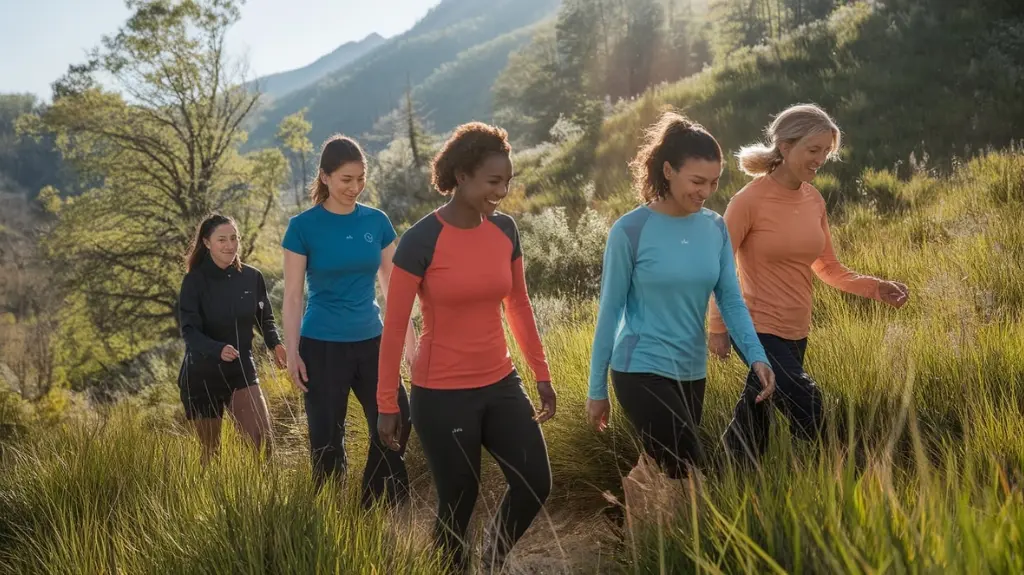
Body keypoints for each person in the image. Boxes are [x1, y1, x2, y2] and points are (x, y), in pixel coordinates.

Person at [377, 122, 557, 574]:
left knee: (535, 479)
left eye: (508, 182)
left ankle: (492, 559)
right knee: (458, 501)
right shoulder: (420, 240)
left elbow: (518, 304)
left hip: (500, 382)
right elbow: (395, 327)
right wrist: (386, 403)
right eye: (493, 182)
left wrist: (541, 373)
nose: (502, 192)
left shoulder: (505, 230)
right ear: (461, 177)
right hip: (442, 394)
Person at [707, 103, 910, 466]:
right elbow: (717, 267)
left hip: (796, 328)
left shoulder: (813, 198)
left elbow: (828, 266)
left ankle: (725, 476)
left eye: (825, 152)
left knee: (758, 406)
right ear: (785, 147)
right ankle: (852, 468)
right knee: (805, 397)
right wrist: (718, 327)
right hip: (755, 327)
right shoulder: (748, 201)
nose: (820, 159)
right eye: (812, 150)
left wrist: (874, 287)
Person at [585, 111, 776, 480]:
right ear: (669, 171)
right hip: (640, 367)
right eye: (697, 181)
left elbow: (731, 300)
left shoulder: (715, 227)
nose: (704, 192)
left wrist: (757, 357)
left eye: (714, 183)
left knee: (672, 476)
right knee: (690, 466)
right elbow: (610, 312)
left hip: (691, 370)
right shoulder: (630, 230)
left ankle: (643, 532)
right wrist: (597, 390)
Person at [281, 134, 417, 508]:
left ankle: (370, 503)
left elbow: (396, 290)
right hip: (322, 346)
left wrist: (410, 343)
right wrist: (292, 352)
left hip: (372, 342)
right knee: (326, 442)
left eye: (360, 178)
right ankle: (329, 518)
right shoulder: (302, 227)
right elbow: (292, 297)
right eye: (346, 179)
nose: (354, 187)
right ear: (324, 177)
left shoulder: (377, 221)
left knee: (399, 419)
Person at [178, 213, 286, 467]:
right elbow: (190, 331)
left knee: (262, 443)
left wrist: (275, 344)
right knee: (209, 455)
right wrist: (217, 349)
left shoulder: (251, 277)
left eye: (234, 238)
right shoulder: (194, 281)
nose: (230, 245)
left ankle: (263, 503)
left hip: (240, 368)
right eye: (222, 239)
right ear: (206, 242)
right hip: (202, 375)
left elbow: (265, 319)